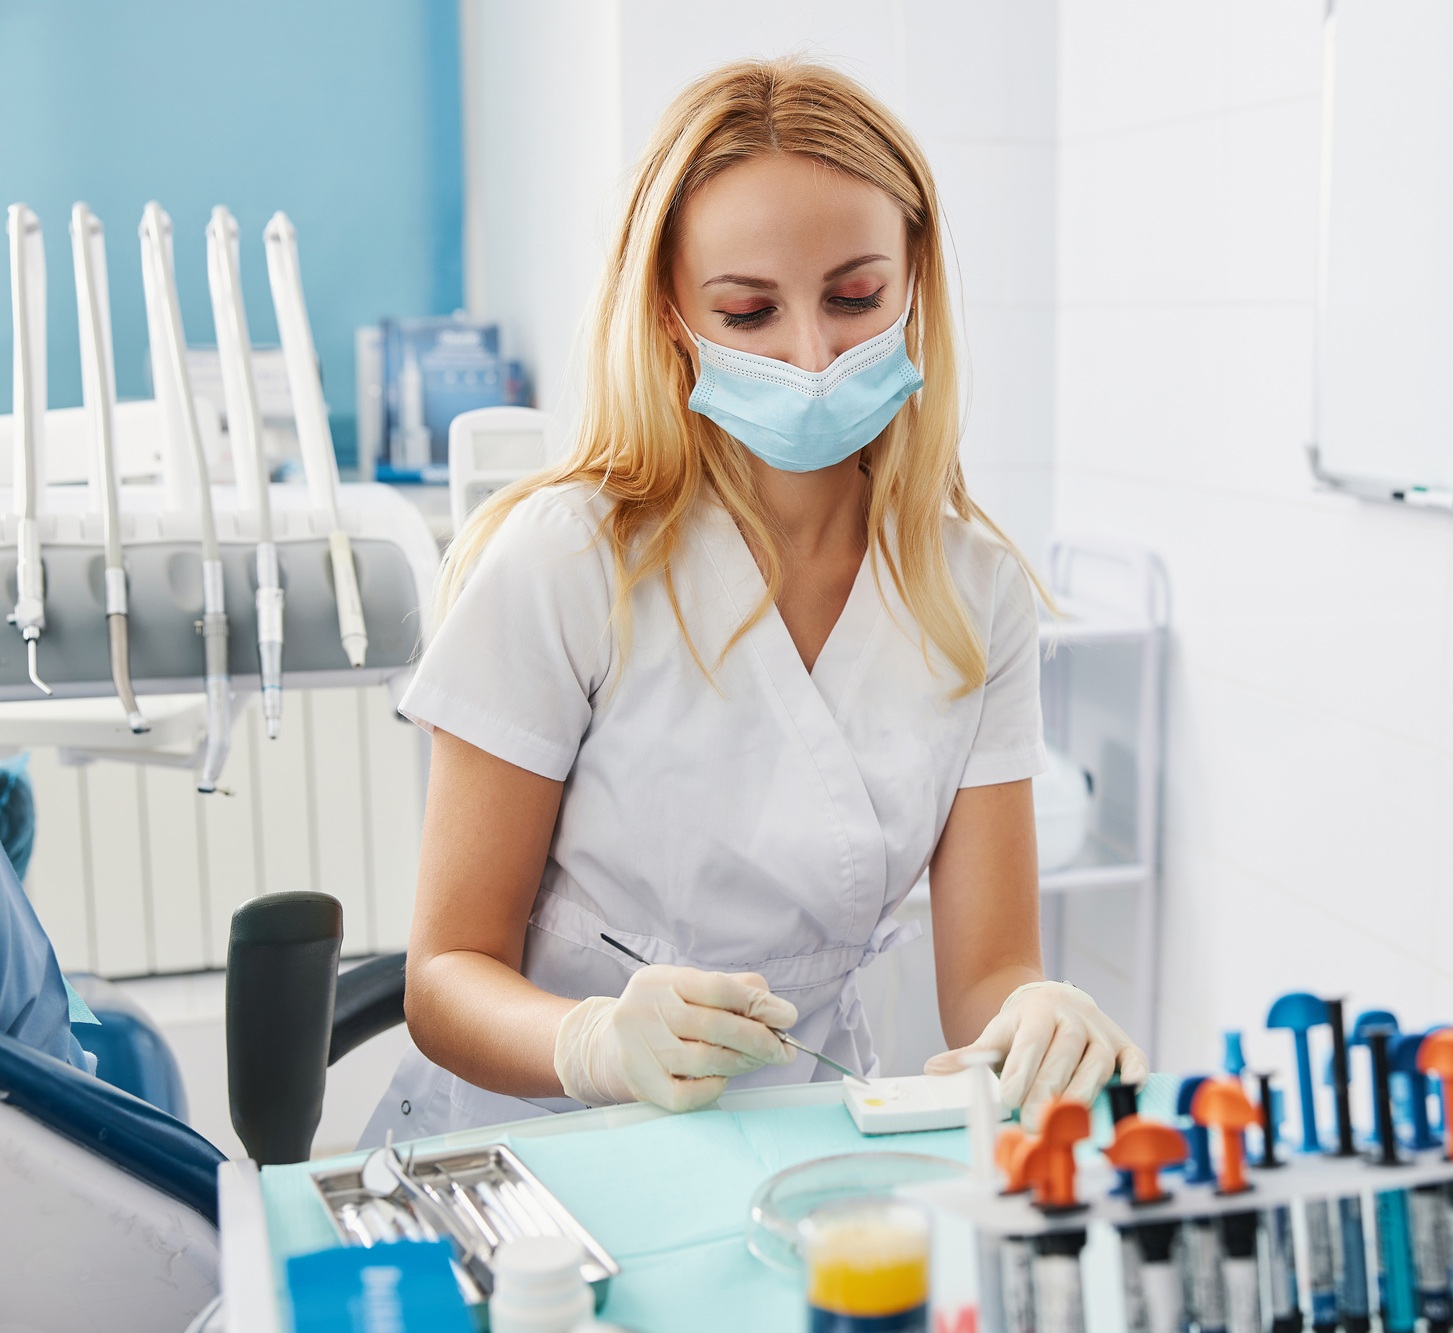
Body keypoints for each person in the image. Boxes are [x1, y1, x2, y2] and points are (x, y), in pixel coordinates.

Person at [364, 57, 1146, 1144]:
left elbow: (987, 979)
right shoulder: (568, 560)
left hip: (802, 1132)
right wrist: (593, 1042)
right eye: (747, 311)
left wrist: (1038, 1015)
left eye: (855, 298)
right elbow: (447, 974)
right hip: (537, 1138)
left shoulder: (974, 594)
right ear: (672, 313)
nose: (812, 356)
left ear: (914, 281)